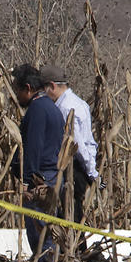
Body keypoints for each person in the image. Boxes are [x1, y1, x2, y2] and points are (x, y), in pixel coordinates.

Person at [9, 63, 65, 256]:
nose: (16, 96)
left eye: (18, 90)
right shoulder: (50, 107)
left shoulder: (37, 110)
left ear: (28, 88)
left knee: (40, 232)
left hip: (40, 180)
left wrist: (26, 182)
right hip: (51, 177)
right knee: (47, 230)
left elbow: (33, 148)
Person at [39, 64, 99, 224]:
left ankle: (75, 241)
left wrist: (90, 172)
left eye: (43, 89)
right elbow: (90, 141)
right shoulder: (80, 103)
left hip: (72, 168)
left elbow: (77, 144)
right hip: (81, 166)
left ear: (52, 86)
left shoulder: (65, 108)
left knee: (70, 213)